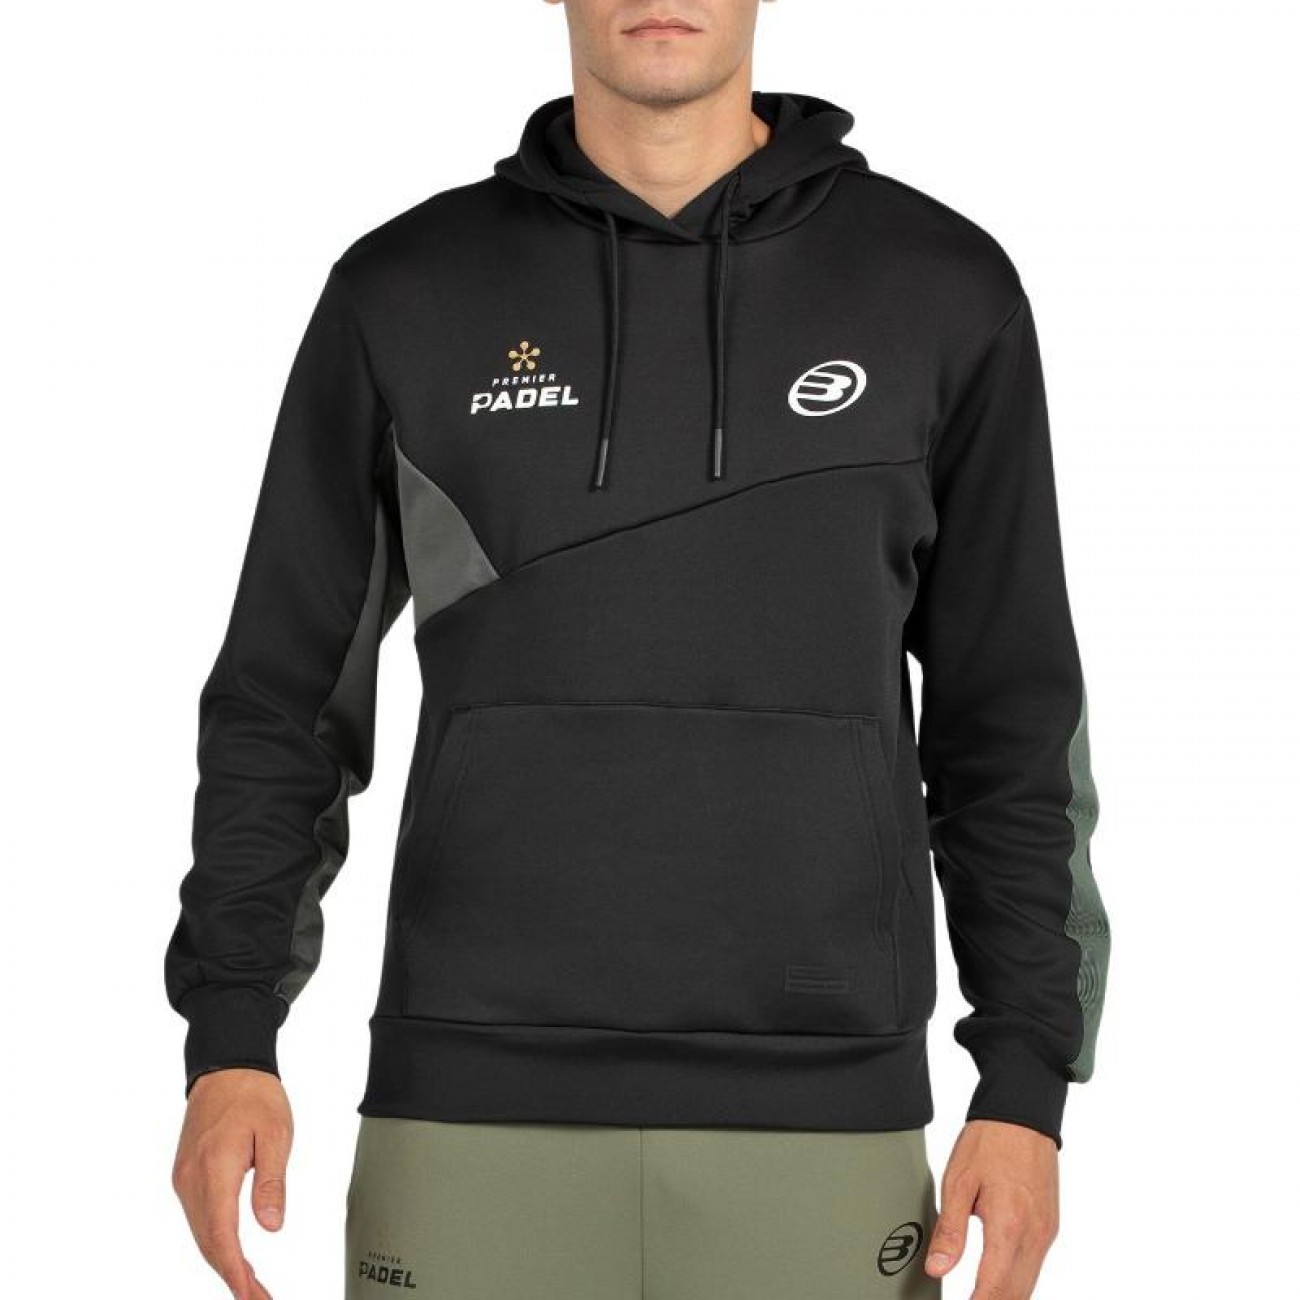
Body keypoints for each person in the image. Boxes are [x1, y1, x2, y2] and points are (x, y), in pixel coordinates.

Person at [164, 3, 1112, 1298]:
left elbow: (1011, 722)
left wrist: (1025, 1078)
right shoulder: (407, 291)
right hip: (467, 1107)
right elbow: (282, 700)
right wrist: (231, 1035)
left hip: (828, 1113)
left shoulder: (940, 290)